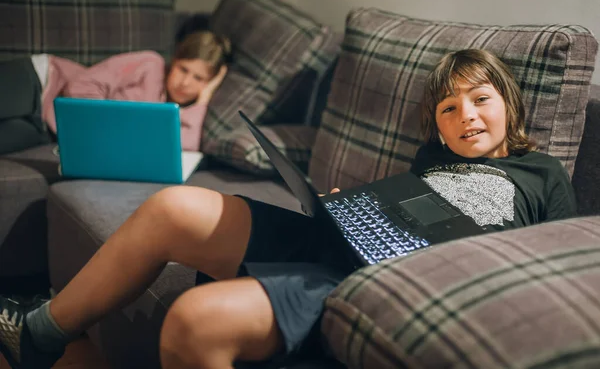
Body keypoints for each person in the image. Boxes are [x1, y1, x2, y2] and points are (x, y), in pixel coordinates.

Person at [0, 49, 577, 369]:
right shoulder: (430, 158)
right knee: (173, 206)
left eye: (480, 99)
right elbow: (405, 206)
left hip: (389, 275)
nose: (466, 116)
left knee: (196, 322)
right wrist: (346, 206)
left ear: (510, 104)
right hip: (345, 239)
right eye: (449, 109)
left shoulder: (542, 173)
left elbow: (558, 256)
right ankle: (41, 334)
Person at [0, 31, 230, 154]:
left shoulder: (178, 114)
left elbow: (187, 145)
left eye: (199, 78)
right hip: (42, 81)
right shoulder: (151, 65)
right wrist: (108, 128)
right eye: (183, 69)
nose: (186, 82)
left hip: (48, 129)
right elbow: (80, 86)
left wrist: (204, 100)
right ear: (174, 60)